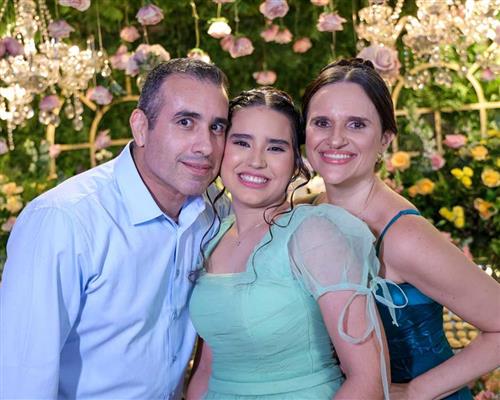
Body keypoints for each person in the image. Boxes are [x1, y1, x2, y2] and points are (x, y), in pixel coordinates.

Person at [0, 58, 231, 399]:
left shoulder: (215, 211)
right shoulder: (65, 220)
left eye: (217, 127)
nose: (206, 146)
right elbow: (22, 378)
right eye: (185, 122)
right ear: (141, 127)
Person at [302, 58, 500, 400]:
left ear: (385, 139)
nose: (335, 139)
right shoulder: (310, 211)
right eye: (322, 122)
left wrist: (414, 392)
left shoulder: (403, 236)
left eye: (356, 125)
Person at [186, 87, 397, 399]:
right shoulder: (213, 236)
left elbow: (369, 379)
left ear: (296, 162)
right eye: (242, 142)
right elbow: (207, 370)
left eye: (275, 148)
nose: (256, 161)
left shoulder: (314, 234)